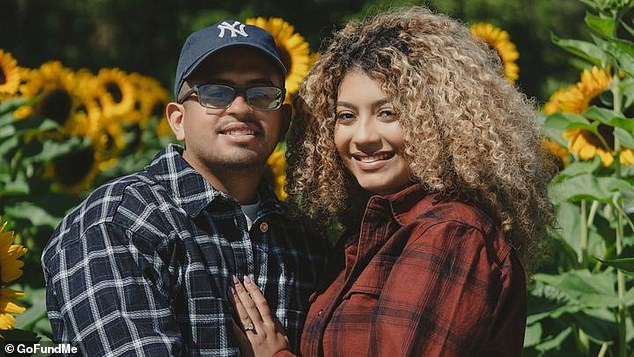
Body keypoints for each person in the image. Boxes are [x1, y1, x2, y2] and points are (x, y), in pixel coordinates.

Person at [230, 6, 555, 356]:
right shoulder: (371, 234)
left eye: (389, 113)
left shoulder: (451, 233)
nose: (363, 136)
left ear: (438, 120)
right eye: (346, 116)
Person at [42, 19, 326, 356]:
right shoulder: (121, 223)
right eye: (215, 93)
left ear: (283, 122)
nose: (240, 107)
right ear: (178, 120)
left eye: (262, 94)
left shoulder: (306, 242)